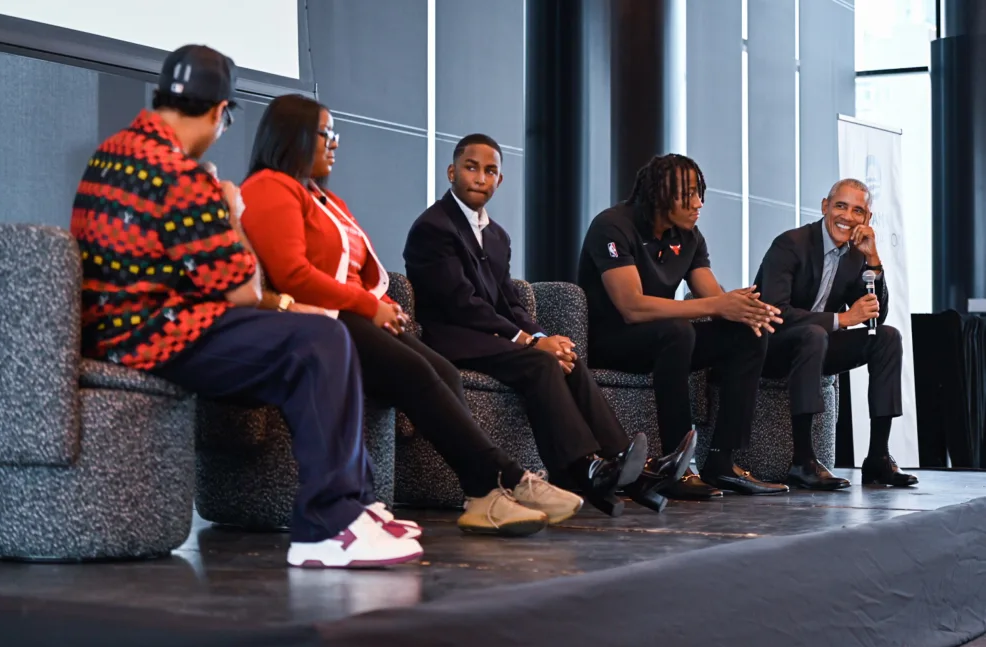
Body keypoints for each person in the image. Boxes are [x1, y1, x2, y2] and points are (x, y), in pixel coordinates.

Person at [70, 45, 423, 569]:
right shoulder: (182, 175)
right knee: (321, 341)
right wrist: (231, 211)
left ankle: (356, 504)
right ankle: (328, 525)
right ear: (220, 113)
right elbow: (240, 289)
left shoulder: (113, 153)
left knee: (316, 334)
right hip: (153, 336)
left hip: (120, 331)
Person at [240, 95, 584, 535]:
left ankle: (482, 496)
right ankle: (505, 482)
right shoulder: (270, 187)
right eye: (326, 134)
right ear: (292, 135)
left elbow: (364, 265)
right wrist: (369, 304)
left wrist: (380, 300)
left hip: (350, 312)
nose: (335, 144)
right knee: (416, 373)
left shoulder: (326, 198)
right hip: (315, 320)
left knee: (443, 371)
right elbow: (292, 273)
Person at [403, 134, 696, 517]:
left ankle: (630, 469)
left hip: (491, 337)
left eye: (490, 171)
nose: (480, 177)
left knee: (566, 355)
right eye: (471, 167)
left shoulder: (497, 236)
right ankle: (583, 470)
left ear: (500, 181)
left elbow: (508, 301)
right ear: (451, 172)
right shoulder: (433, 227)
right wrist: (526, 340)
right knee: (541, 363)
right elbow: (462, 304)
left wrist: (543, 336)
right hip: (454, 338)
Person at [578, 153, 789, 497]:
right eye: (689, 194)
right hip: (612, 341)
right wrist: (716, 304)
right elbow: (630, 306)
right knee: (678, 330)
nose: (698, 203)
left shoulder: (689, 236)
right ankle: (675, 467)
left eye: (699, 193)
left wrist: (743, 308)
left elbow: (710, 293)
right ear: (661, 193)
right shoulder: (613, 225)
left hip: (667, 342)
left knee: (745, 336)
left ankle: (721, 462)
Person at [755, 178, 917, 488]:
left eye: (857, 210)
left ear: (866, 219)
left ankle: (878, 458)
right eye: (840, 206)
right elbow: (775, 312)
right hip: (772, 347)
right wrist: (842, 319)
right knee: (814, 335)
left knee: (887, 337)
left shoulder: (856, 256)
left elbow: (875, 316)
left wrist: (873, 260)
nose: (847, 216)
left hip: (818, 347)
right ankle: (803, 461)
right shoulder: (790, 244)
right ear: (824, 207)